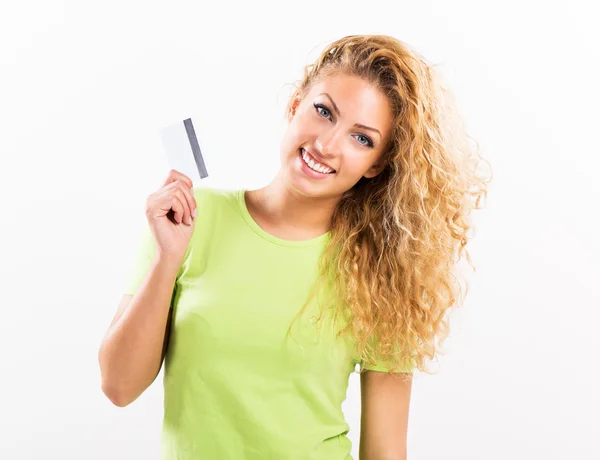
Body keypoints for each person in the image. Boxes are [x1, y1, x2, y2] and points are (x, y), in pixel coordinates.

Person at [98, 34, 490, 459]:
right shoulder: (190, 218)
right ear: (295, 104)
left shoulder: (380, 273)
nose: (326, 144)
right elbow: (118, 387)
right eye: (324, 112)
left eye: (362, 138)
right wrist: (167, 258)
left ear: (376, 164)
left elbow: (385, 450)